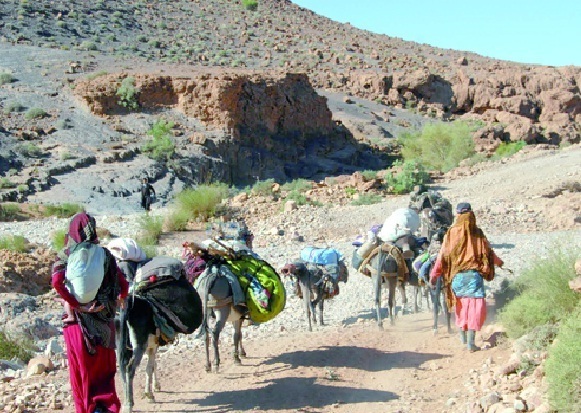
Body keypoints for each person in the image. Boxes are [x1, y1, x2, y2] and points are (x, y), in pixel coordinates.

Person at [52, 212, 129, 413]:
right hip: (104, 326)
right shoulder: (106, 255)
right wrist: (120, 299)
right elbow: (123, 284)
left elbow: (56, 282)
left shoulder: (65, 256)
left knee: (82, 376)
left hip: (77, 327)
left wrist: (76, 305)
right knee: (104, 376)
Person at [429, 202, 503, 352]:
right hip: (473, 277)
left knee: (461, 307)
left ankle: (463, 340)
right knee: (475, 309)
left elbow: (442, 256)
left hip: (456, 278)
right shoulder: (478, 233)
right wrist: (499, 263)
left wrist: (434, 275)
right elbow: (489, 253)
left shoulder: (451, 233)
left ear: (457, 215)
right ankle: (470, 344)